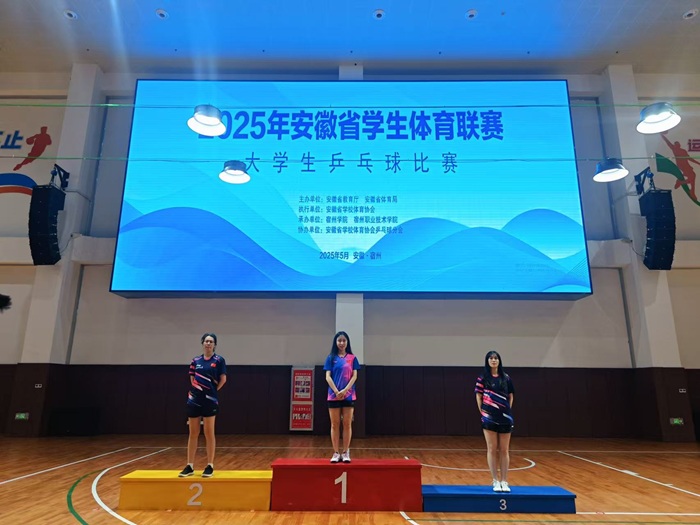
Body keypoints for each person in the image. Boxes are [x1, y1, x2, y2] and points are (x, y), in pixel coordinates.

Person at [179, 333, 227, 478]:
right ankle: (190, 465)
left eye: (211, 341)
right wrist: (198, 392)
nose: (208, 343)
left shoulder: (219, 360)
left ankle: (210, 465)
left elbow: (223, 379)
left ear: (214, 344)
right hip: (194, 400)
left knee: (209, 433)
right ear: (202, 343)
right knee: (193, 433)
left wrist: (212, 391)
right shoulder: (196, 360)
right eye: (206, 341)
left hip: (210, 400)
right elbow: (192, 378)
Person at [475, 350, 515, 493]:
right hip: (489, 417)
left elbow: (511, 395)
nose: (493, 360)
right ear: (487, 361)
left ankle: (504, 480)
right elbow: (478, 396)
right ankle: (495, 480)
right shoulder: (482, 378)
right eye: (491, 358)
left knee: (504, 450)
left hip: (505, 417)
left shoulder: (506, 378)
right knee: (492, 449)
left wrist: (507, 410)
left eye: (496, 358)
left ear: (499, 361)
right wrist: (483, 412)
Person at [324, 331, 360, 463]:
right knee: (334, 424)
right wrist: (336, 391)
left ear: (347, 342)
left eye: (344, 340)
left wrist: (345, 390)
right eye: (339, 340)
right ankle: (335, 452)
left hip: (348, 395)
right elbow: (327, 377)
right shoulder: (330, 358)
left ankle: (345, 452)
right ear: (336, 342)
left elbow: (354, 376)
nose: (341, 343)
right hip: (333, 395)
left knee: (347, 424)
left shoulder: (352, 358)